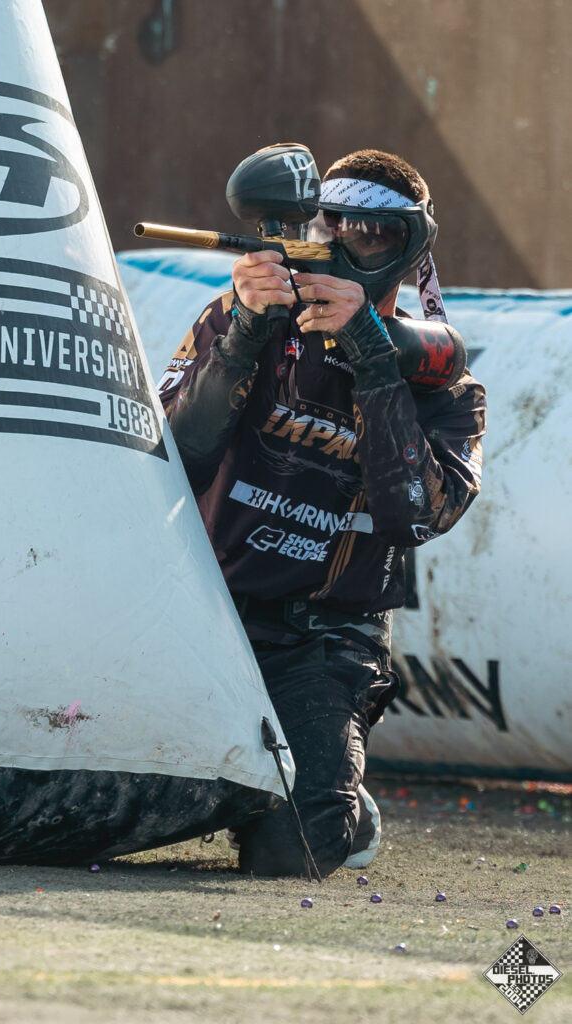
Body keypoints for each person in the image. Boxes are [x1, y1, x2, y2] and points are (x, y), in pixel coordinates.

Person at [157, 147, 486, 878]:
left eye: (373, 233)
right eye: (330, 225)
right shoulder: (243, 319)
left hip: (327, 636)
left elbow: (414, 518)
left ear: (410, 247)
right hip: (202, 615)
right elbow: (173, 461)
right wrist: (244, 332)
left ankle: (332, 791)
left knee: (299, 850)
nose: (346, 245)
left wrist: (371, 358)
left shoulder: (448, 390)